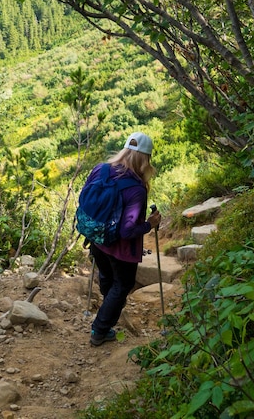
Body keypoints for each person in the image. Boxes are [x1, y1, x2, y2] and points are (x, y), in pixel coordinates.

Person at [86, 131, 162, 346]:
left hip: (97, 239)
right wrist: (150, 224)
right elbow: (127, 232)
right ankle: (100, 330)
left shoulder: (101, 169)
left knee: (108, 279)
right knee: (123, 284)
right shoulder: (136, 189)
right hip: (120, 249)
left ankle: (108, 306)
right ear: (145, 158)